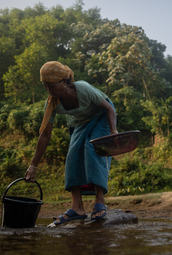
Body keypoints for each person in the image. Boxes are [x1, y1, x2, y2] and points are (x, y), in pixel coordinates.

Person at [25, 61, 118, 225]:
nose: (49, 90)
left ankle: (100, 201)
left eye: (52, 86)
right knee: (72, 157)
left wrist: (113, 133)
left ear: (64, 81)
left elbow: (109, 109)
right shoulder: (52, 103)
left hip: (102, 115)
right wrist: (33, 165)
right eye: (45, 87)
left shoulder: (83, 89)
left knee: (93, 148)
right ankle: (77, 207)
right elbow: (45, 135)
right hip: (80, 122)